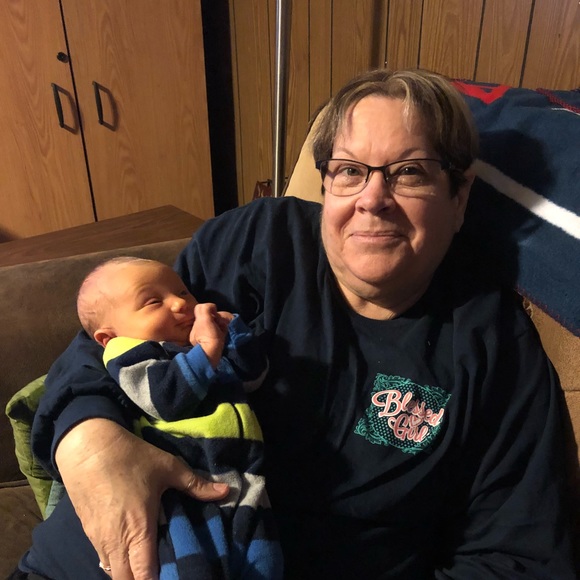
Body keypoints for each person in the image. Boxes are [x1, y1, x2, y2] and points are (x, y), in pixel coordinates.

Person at [27, 68, 575, 579]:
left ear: (459, 196)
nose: (373, 199)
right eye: (350, 171)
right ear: (326, 184)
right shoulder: (255, 242)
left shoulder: (494, 345)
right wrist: (88, 441)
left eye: (409, 172)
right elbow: (107, 339)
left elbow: (520, 557)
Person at [17, 257, 282, 579]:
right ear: (108, 337)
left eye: (182, 292)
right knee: (190, 569)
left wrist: (234, 334)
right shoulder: (129, 355)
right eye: (153, 302)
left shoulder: (203, 351)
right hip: (180, 496)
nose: (180, 303)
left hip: (245, 482)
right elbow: (166, 399)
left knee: (266, 563)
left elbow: (253, 377)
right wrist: (207, 350)